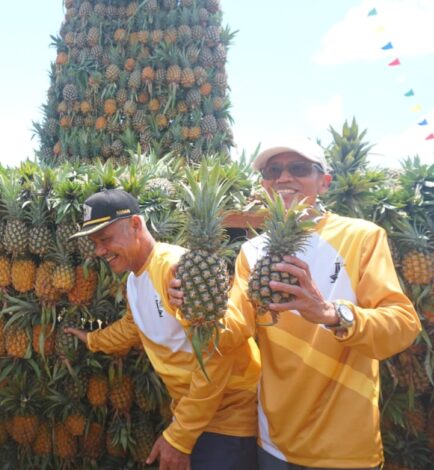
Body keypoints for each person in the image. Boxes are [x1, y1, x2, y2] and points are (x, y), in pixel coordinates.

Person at [168, 140, 420, 469]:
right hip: (275, 444)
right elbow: (231, 333)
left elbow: (402, 326)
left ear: (323, 182)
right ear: (264, 185)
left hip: (346, 447)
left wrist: (329, 312)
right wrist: (194, 310)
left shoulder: (362, 237)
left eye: (299, 168)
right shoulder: (253, 252)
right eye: (273, 170)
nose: (284, 177)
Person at [63, 189, 260, 470]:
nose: (99, 251)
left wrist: (180, 437)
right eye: (95, 243)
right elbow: (133, 327)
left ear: (135, 225)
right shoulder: (134, 279)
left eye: (105, 239)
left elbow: (216, 356)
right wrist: (91, 339)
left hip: (228, 419)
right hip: (197, 416)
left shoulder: (174, 269)